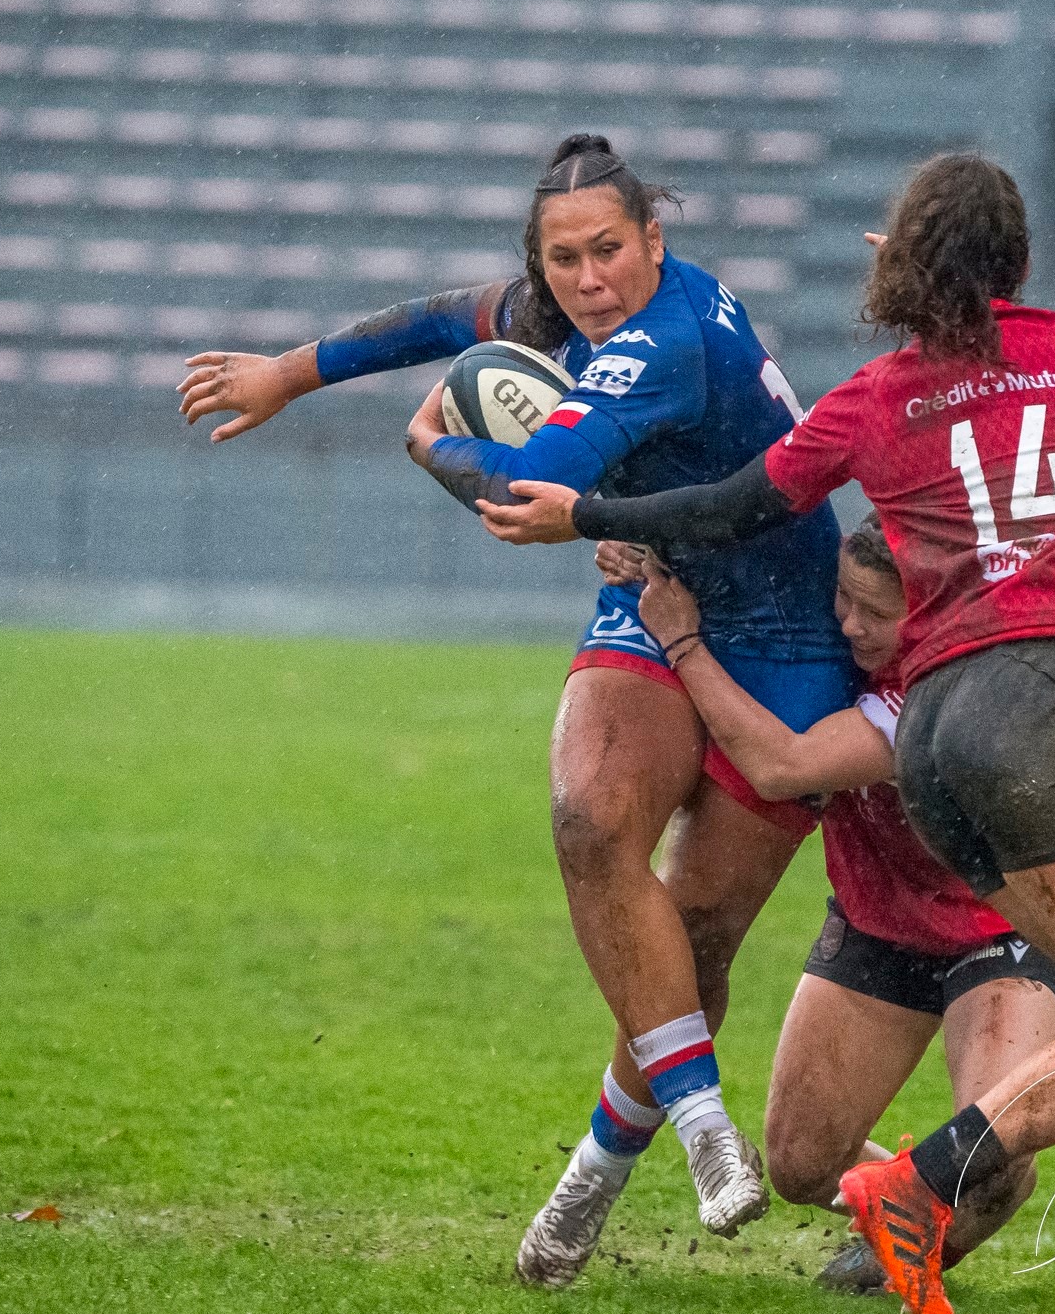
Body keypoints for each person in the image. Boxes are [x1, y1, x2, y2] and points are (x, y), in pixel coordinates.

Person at [475, 152, 1055, 1314]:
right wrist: (948, 272)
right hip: (1040, 708)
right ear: (1017, 264)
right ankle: (971, 1200)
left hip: (936, 729)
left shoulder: (877, 399)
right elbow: (1009, 351)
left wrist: (588, 513)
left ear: (902, 266)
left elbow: (730, 505)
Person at [178, 135, 858, 1286]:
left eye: (610, 251)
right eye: (565, 260)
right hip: (657, 592)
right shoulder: (563, 305)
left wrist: (432, 446)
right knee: (591, 822)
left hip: (789, 639)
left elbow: (540, 493)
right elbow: (443, 318)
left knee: (696, 939)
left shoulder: (667, 341)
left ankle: (589, 1175)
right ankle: (703, 1130)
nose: (590, 280)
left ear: (656, 239)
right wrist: (284, 376)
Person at [618, 526, 1055, 1309]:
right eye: (843, 600)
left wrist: (684, 643)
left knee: (1012, 1146)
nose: (852, 624)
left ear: (926, 612)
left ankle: (957, 1215)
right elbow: (753, 575)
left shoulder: (941, 692)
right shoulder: (836, 640)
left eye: (875, 612)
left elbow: (782, 766)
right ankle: (904, 1197)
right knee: (798, 1166)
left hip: (997, 932)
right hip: (876, 924)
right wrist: (654, 553)